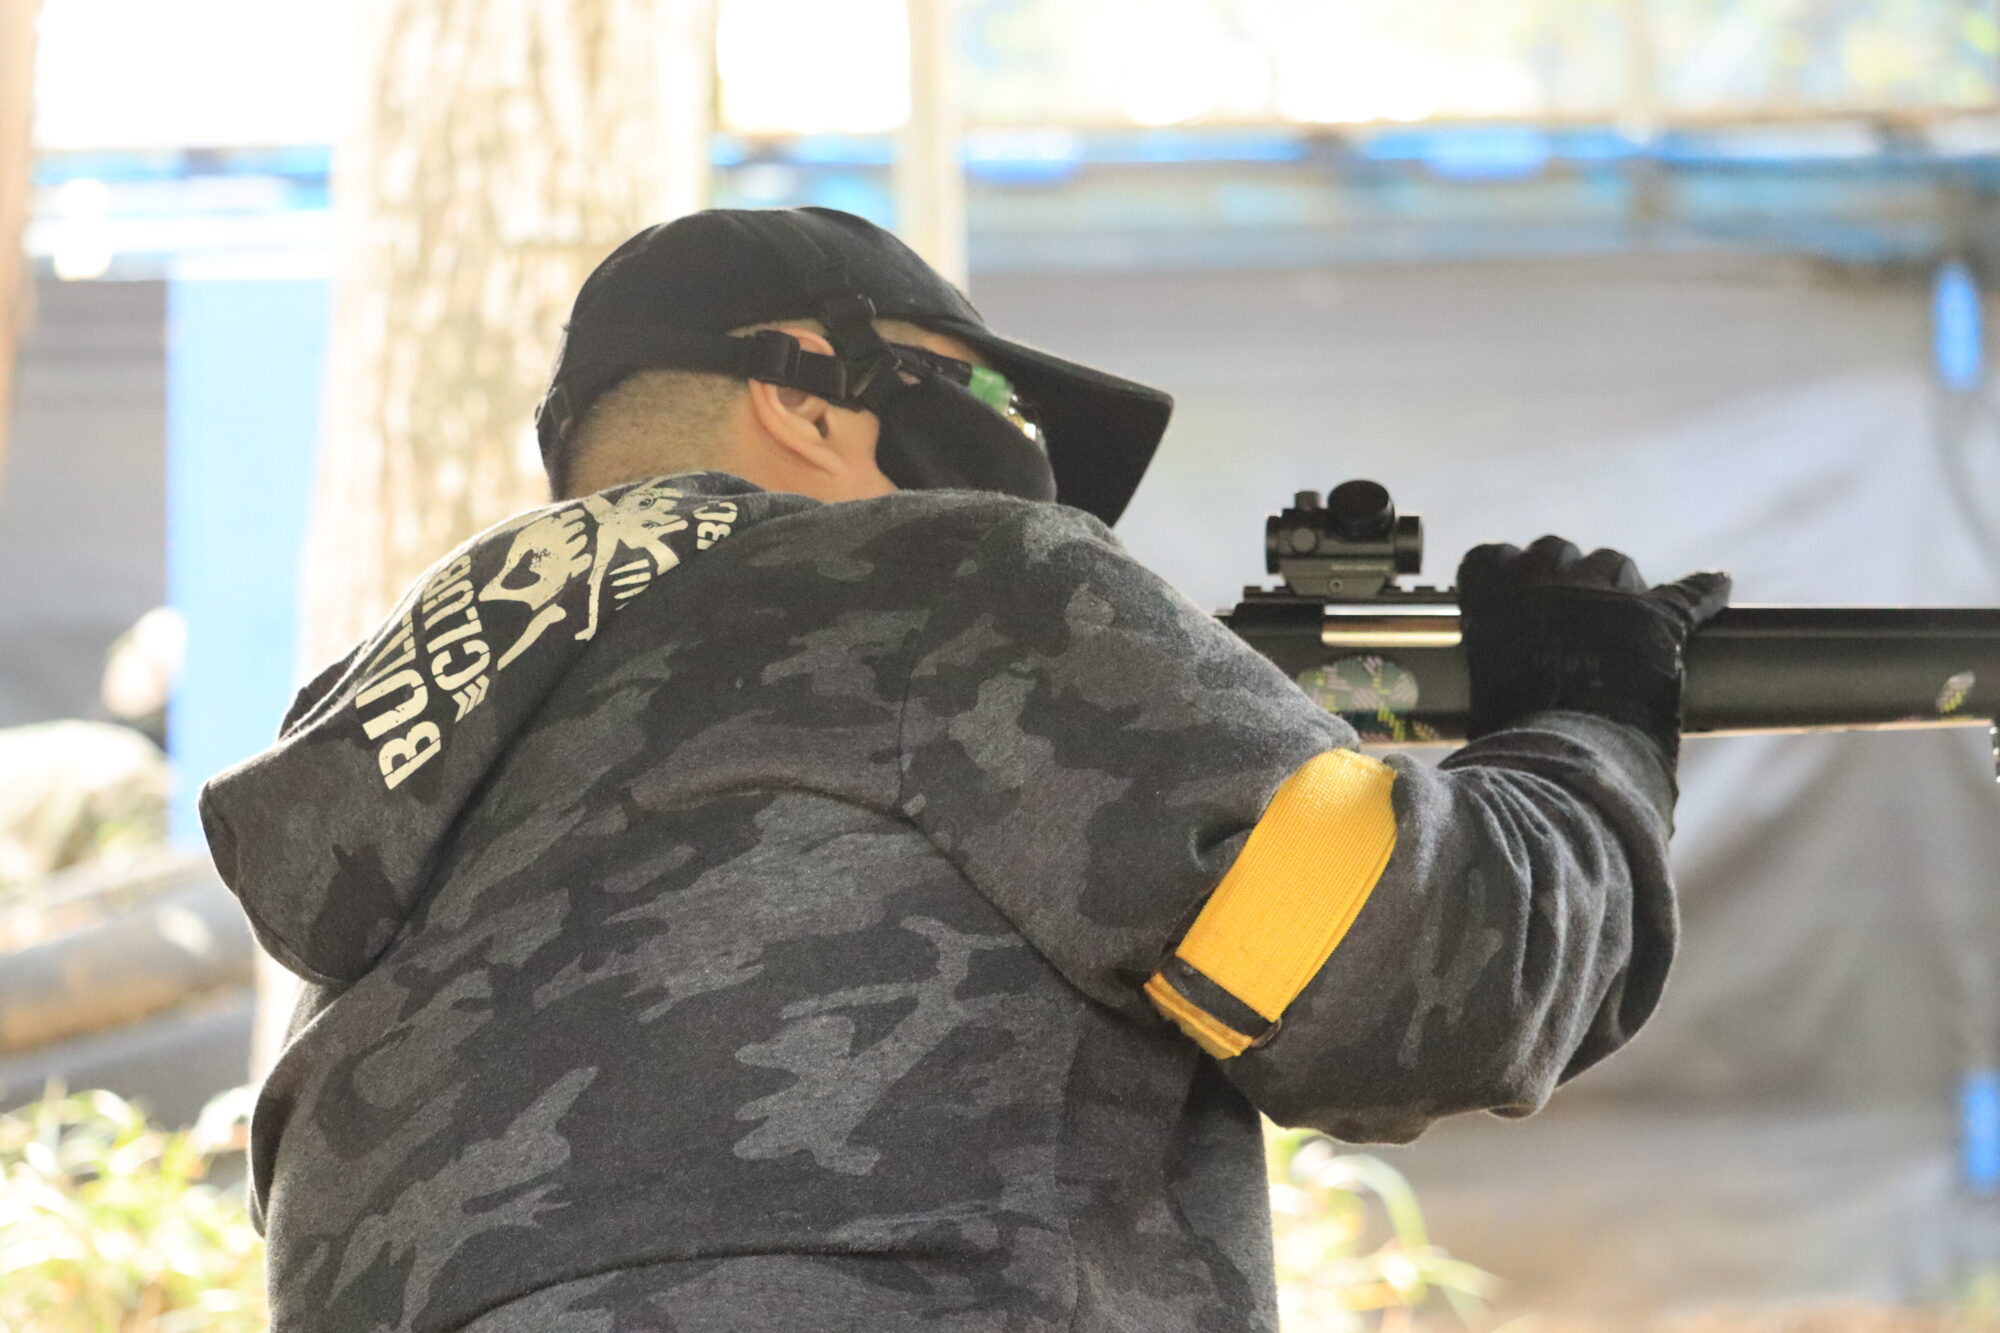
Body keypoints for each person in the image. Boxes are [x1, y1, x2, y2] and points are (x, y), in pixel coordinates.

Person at [200, 207, 1729, 1333]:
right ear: (805, 396)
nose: (1029, 460)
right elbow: (1414, 971)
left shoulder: (401, 809)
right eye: (988, 400)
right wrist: (1588, 718)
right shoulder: (946, 582)